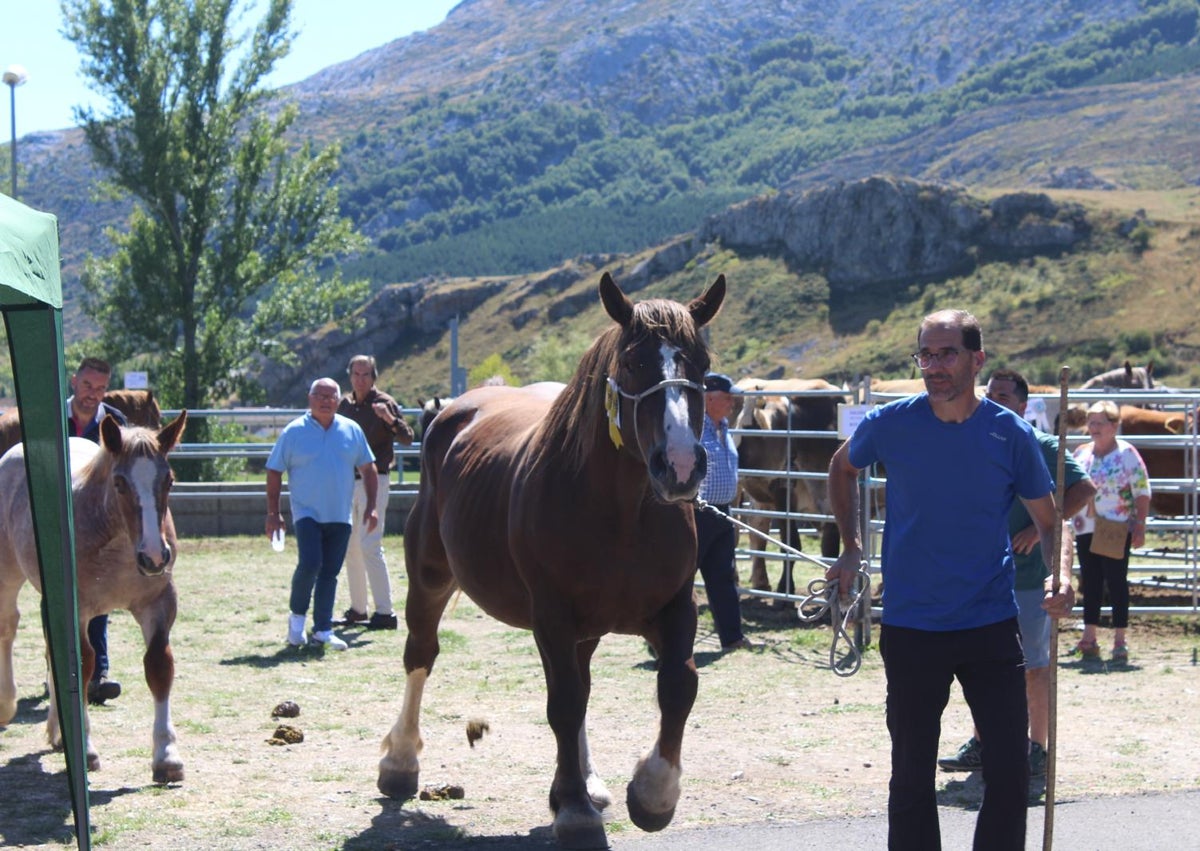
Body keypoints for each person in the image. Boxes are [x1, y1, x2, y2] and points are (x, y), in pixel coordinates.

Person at [827, 310, 1059, 851]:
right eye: (925, 355)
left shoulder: (1009, 433)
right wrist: (852, 545)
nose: (933, 366)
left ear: (977, 359)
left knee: (1008, 768)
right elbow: (843, 467)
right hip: (912, 625)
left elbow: (1050, 523)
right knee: (910, 773)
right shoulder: (892, 423)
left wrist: (1060, 578)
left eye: (946, 353)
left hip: (991, 624)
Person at [938, 368, 1095, 777]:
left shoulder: (1040, 444)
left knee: (1034, 667)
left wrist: (1035, 526)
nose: (993, 401)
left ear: (1024, 405)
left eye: (1004, 396)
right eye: (990, 394)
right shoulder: (978, 442)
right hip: (982, 576)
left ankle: (1037, 747)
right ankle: (981, 741)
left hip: (1027, 577)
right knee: (979, 665)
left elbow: (1083, 490)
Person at [266, 378, 378, 651]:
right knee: (310, 563)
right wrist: (273, 513)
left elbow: (368, 468)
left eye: (331, 396)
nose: (326, 401)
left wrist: (372, 506)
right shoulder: (293, 432)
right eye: (320, 395)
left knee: (330, 572)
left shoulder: (351, 430)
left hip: (340, 515)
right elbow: (273, 470)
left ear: (339, 400)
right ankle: (296, 623)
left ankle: (323, 629)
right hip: (307, 514)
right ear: (310, 398)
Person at [335, 355, 414, 630]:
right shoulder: (343, 405)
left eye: (366, 374)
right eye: (356, 374)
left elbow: (407, 437)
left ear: (374, 377)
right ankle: (358, 610)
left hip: (376, 480)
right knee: (351, 548)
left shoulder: (384, 403)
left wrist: (389, 419)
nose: (360, 379)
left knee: (370, 544)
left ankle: (385, 612)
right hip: (347, 480)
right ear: (350, 376)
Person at [67, 357, 129, 706]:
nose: (93, 394)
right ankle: (61, 672)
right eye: (88, 386)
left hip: (98, 526)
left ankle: (99, 673)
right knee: (60, 600)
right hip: (60, 520)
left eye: (101, 388)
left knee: (98, 596)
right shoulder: (53, 419)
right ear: (74, 381)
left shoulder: (114, 423)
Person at [1070, 399, 1151, 662]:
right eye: (1091, 422)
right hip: (1086, 525)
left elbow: (1141, 491)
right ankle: (1089, 636)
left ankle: (1119, 639)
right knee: (1090, 580)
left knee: (1116, 580)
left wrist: (1139, 524)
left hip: (1115, 525)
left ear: (1114, 426)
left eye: (1099, 423)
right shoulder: (1082, 452)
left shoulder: (1126, 454)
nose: (1093, 427)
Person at [696, 373, 755, 652]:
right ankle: (664, 638)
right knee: (682, 579)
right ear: (709, 398)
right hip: (697, 512)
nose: (733, 402)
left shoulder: (724, 427)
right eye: (727, 397)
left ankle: (732, 637)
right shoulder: (694, 428)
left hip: (722, 512)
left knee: (723, 575)